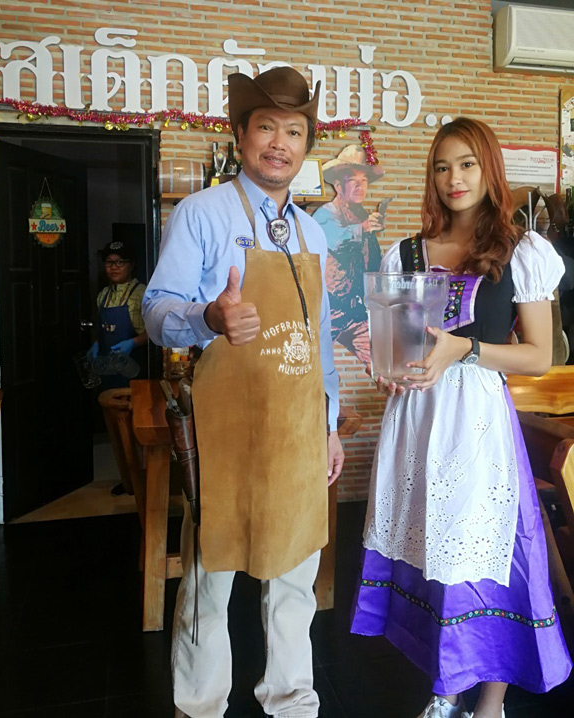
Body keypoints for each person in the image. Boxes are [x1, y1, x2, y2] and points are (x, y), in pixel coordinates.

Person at [350, 117, 572, 718]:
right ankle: (446, 686)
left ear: (488, 169)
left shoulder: (522, 251)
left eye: (468, 164)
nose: (455, 178)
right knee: (433, 554)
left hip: (476, 421)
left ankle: (491, 700)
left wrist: (464, 349)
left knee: (484, 553)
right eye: (443, 166)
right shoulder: (406, 252)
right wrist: (388, 366)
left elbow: (539, 356)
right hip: (416, 418)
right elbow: (396, 345)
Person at [142, 66, 344, 718]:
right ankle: (200, 706)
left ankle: (292, 701)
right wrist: (209, 316)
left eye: (294, 131)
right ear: (240, 135)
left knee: (295, 577)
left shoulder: (313, 232)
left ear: (306, 145)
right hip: (225, 429)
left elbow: (318, 340)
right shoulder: (202, 214)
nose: (280, 143)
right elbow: (154, 310)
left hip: (297, 430)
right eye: (266, 127)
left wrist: (330, 424)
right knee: (211, 579)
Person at [313, 144, 385, 364]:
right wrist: (364, 228)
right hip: (328, 311)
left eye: (364, 180)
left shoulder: (361, 215)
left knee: (381, 363)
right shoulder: (324, 213)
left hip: (356, 312)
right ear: (338, 185)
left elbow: (373, 260)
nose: (359, 186)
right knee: (309, 366)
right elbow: (336, 240)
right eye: (352, 180)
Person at [87, 239, 148, 494]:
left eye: (120, 262)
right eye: (109, 262)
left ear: (131, 265)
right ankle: (127, 478)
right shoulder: (103, 295)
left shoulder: (142, 293)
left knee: (136, 428)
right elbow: (102, 331)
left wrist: (132, 343)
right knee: (115, 427)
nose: (113, 267)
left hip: (133, 370)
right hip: (109, 370)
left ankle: (142, 479)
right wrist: (95, 344)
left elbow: (153, 332)